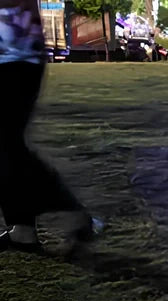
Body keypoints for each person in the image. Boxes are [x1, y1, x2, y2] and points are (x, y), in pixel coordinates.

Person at [0, 0, 99, 252]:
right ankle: (22, 228)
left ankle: (73, 212)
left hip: (14, 54)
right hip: (14, 51)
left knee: (6, 144)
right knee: (8, 145)